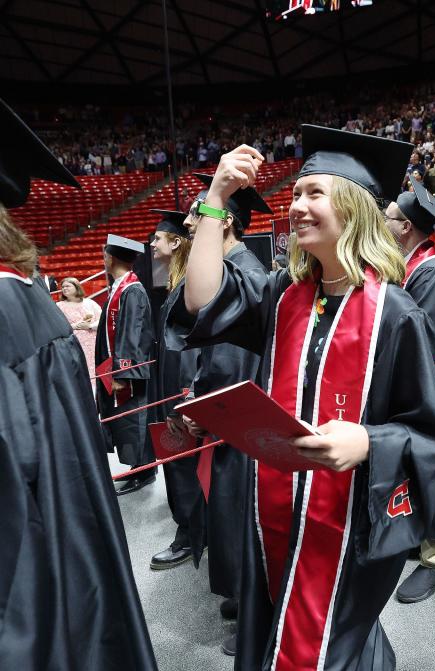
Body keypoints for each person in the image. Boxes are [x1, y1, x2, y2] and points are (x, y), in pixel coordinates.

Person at [168, 126, 435, 671]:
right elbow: (202, 298)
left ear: (351, 208)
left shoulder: (396, 314)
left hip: (346, 528)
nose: (297, 205)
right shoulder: (281, 297)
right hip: (269, 514)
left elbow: (431, 435)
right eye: (296, 193)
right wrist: (215, 199)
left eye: (313, 193)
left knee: (322, 646)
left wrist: (368, 439)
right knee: (281, 635)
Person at [0, 96, 157, 670]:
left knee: (138, 427)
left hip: (24, 588)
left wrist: (125, 371)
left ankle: (144, 473)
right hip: (56, 568)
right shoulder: (31, 310)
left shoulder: (12, 313)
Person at [176, 172, 273, 656]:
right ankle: (244, 596)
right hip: (228, 421)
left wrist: (207, 410)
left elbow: (233, 368)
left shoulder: (243, 276)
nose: (190, 224)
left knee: (241, 519)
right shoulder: (234, 269)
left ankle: (256, 608)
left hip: (242, 426)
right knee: (231, 516)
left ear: (227, 225)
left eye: (200, 216)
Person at [384, 178, 435, 603]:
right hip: (420, 387)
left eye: (390, 218)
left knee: (434, 469)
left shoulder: (430, 271)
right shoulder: (413, 263)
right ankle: (421, 537)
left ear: (406, 227)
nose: (383, 221)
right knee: (417, 468)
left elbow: (424, 341)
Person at [146, 209, 203, 572]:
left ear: (177, 242)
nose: (151, 244)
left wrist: (185, 397)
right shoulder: (174, 281)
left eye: (157, 238)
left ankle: (190, 532)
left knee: (186, 462)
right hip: (168, 386)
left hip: (181, 390)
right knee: (180, 461)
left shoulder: (189, 287)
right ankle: (193, 526)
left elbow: (191, 347)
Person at [96, 232, 156, 495]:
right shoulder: (120, 287)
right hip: (117, 368)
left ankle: (145, 470)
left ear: (110, 258)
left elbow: (132, 334)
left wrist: (122, 372)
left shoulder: (131, 290)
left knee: (134, 420)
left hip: (128, 374)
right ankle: (136, 467)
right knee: (125, 421)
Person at [57, 276, 101, 385]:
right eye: (62, 287)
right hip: (74, 344)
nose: (64, 288)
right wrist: (74, 326)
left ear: (77, 287)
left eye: (68, 286)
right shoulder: (59, 306)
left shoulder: (90, 303)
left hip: (93, 342)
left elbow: (102, 320)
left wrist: (89, 326)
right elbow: (57, 326)